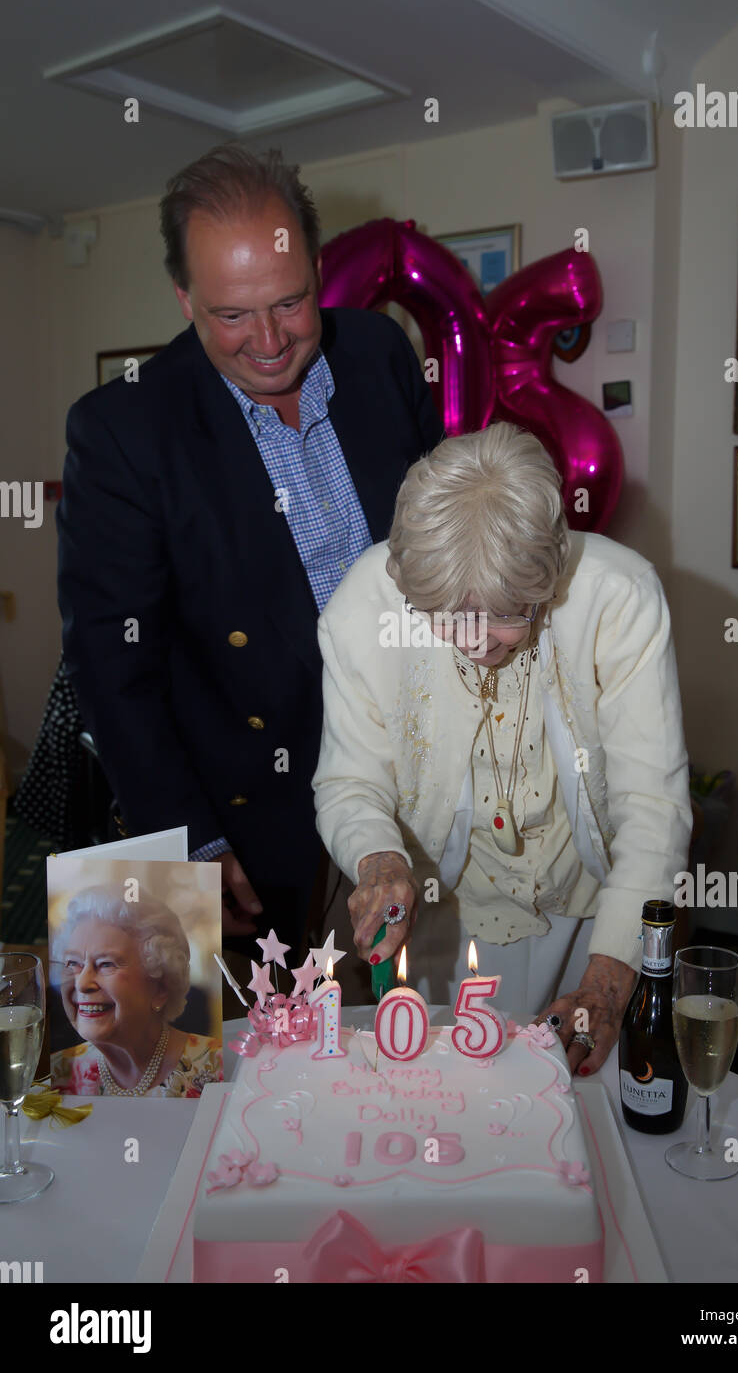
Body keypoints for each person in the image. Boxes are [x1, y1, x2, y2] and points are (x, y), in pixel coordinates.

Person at [57, 144, 444, 958]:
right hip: (249, 821)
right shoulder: (124, 430)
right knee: (261, 1071)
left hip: (422, 777)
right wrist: (189, 838)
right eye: (231, 314)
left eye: (291, 302)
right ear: (184, 297)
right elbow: (113, 667)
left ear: (314, 268)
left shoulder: (378, 353)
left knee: (426, 1050)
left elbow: (442, 544)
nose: (269, 340)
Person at [312, 421, 692, 1075]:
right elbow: (350, 783)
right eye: (449, 617)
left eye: (510, 612)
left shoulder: (618, 594)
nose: (479, 643)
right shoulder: (357, 609)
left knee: (579, 1119)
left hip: (590, 912)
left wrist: (607, 982)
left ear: (549, 570)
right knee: (440, 1103)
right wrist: (376, 860)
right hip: (436, 913)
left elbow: (652, 802)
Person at [51, 887, 220, 1097]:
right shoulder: (55, 1074)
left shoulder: (217, 1068)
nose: (82, 983)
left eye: (106, 964)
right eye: (73, 963)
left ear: (160, 988)